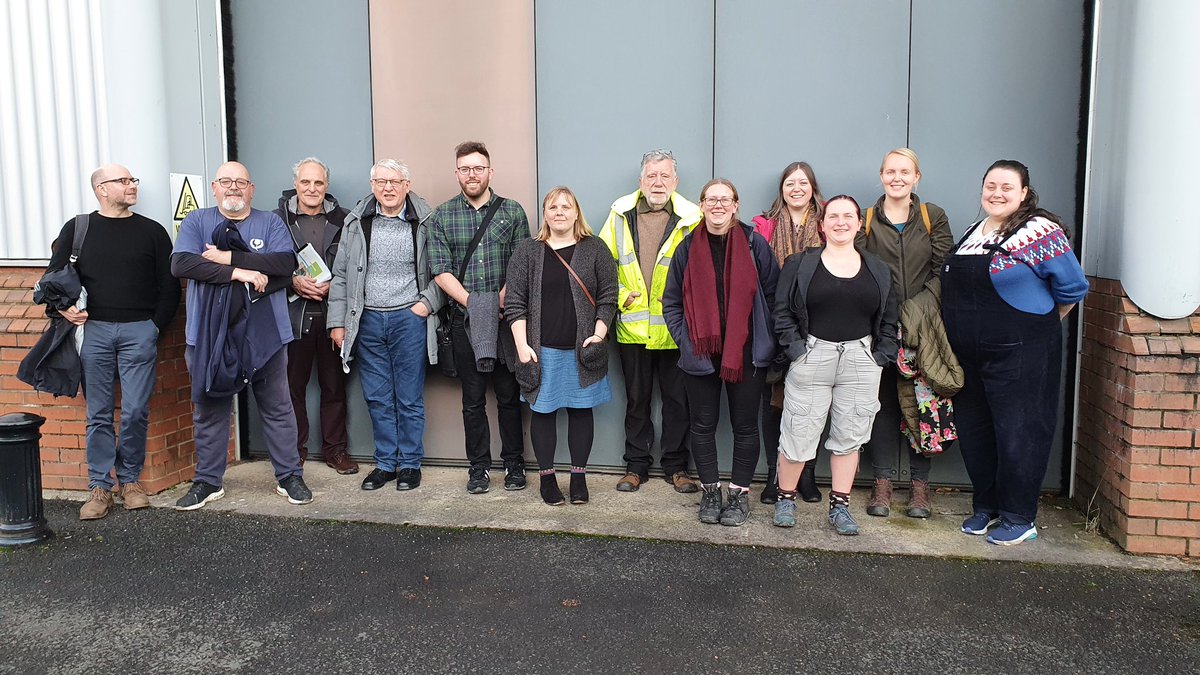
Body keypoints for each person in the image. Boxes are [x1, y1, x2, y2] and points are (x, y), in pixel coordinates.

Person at [942, 160, 1088, 546]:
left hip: (1021, 354)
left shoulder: (1040, 230)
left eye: (1007, 187)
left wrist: (1037, 328)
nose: (997, 193)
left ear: (1024, 193)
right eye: (991, 185)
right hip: (970, 358)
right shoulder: (974, 231)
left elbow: (1072, 287)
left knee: (1019, 433)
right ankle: (986, 508)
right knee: (976, 433)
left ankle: (1018, 515)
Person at [172, 161, 312, 510]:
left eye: (241, 182)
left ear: (251, 190)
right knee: (209, 408)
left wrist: (226, 257)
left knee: (279, 407)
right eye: (226, 182)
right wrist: (240, 272)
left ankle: (289, 476)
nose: (233, 188)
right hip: (208, 336)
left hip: (266, 334)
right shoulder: (197, 221)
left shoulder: (270, 222)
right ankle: (207, 481)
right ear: (215, 188)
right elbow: (183, 265)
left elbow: (283, 266)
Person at [45, 165, 180, 520]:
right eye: (123, 181)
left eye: (134, 179)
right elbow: (52, 280)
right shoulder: (78, 228)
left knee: (136, 410)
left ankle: (131, 481)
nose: (132, 185)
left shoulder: (152, 232)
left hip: (140, 331)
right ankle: (100, 487)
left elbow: (169, 288)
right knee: (99, 413)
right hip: (95, 332)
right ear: (101, 189)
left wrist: (153, 328)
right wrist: (65, 310)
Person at [773, 195, 899, 535]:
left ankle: (840, 506)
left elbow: (889, 318)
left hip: (861, 359)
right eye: (833, 216)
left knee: (850, 435)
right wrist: (797, 350)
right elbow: (782, 311)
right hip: (813, 355)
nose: (840, 222)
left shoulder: (878, 269)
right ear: (822, 224)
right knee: (799, 430)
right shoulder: (800, 264)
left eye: (848, 216)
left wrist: (880, 357)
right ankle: (786, 499)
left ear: (859, 224)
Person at [662, 179, 779, 526]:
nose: (717, 205)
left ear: (736, 205)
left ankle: (739, 494)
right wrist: (685, 339)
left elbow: (773, 297)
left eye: (724, 199)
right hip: (700, 351)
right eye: (711, 199)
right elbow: (671, 303)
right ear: (701, 205)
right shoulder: (686, 247)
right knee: (702, 425)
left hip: (745, 354)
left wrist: (766, 339)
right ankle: (710, 492)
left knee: (745, 427)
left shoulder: (754, 243)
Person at [328, 159, 443, 492]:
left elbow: (442, 269)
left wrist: (425, 304)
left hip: (409, 319)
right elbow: (341, 276)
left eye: (394, 181)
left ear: (407, 185)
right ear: (372, 185)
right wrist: (338, 323)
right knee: (378, 397)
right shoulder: (356, 223)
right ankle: (385, 464)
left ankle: (409, 464)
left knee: (408, 398)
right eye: (380, 182)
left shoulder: (425, 221)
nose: (388, 188)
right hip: (367, 321)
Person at [856, 148, 953, 519]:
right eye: (891, 171)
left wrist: (916, 311)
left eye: (905, 172)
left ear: (917, 178)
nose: (897, 177)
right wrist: (886, 314)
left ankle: (919, 487)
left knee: (923, 405)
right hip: (879, 327)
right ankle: (881, 484)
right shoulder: (867, 219)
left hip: (924, 328)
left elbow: (944, 268)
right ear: (881, 175)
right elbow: (862, 270)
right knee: (881, 405)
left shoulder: (932, 217)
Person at [598, 149, 702, 494]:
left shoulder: (693, 217)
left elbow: (702, 270)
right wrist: (619, 295)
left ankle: (677, 467)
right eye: (651, 176)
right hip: (633, 325)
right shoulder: (619, 214)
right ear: (641, 180)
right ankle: (635, 467)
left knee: (677, 402)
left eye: (665, 176)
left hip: (675, 328)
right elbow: (602, 263)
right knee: (636, 400)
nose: (658, 182)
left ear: (676, 181)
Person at [430, 141, 531, 494]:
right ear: (457, 173)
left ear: (490, 171)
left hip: (507, 322)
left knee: (508, 396)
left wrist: (501, 302)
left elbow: (522, 265)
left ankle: (514, 465)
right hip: (465, 321)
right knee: (472, 399)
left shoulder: (513, 212)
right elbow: (440, 271)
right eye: (465, 169)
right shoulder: (442, 216)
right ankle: (479, 468)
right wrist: (477, 304)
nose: (472, 174)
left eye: (478, 168)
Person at [506, 187, 618, 505]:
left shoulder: (595, 249)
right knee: (543, 413)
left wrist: (598, 335)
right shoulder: (528, 251)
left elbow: (609, 297)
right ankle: (547, 478)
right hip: (542, 351)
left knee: (581, 413)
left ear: (576, 212)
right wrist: (522, 346)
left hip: (582, 351)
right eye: (553, 206)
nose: (559, 212)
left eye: (566, 206)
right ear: (545, 213)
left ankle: (579, 477)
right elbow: (515, 302)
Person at [274, 157, 358, 475]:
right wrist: (291, 281)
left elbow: (355, 265)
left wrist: (335, 285)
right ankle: (294, 451)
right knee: (291, 387)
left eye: (318, 182)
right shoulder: (276, 220)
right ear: (296, 184)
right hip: (292, 314)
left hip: (333, 316)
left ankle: (336, 451)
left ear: (326, 185)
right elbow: (263, 264)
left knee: (334, 386)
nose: (312, 188)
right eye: (306, 182)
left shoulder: (346, 219)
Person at [751, 161, 825, 505]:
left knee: (812, 404)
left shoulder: (828, 223)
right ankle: (775, 474)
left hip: (819, 325)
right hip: (773, 324)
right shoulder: (764, 226)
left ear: (813, 187)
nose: (796, 188)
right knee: (773, 403)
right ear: (781, 189)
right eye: (790, 183)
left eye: (803, 183)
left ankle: (807, 473)